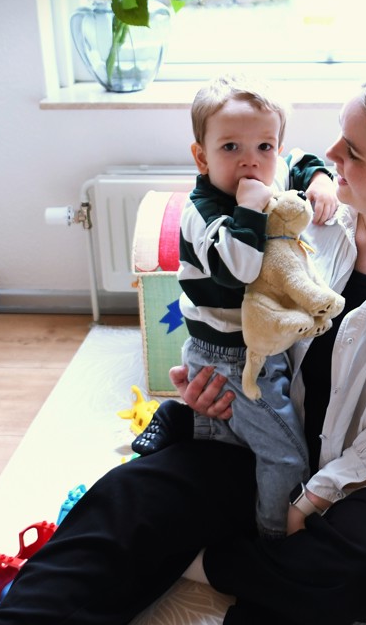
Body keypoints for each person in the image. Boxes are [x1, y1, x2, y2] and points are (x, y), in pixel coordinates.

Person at [0, 72, 366, 625]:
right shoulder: (312, 220)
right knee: (127, 500)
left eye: (350, 151)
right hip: (276, 440)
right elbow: (239, 320)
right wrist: (214, 388)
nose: (327, 155)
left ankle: (214, 563)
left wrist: (309, 501)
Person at [137, 74, 338, 539]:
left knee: (234, 439)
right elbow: (240, 268)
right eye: (230, 148)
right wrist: (250, 204)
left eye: (265, 146)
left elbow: (299, 162)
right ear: (202, 156)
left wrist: (322, 180)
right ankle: (273, 541)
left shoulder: (272, 167)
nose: (252, 161)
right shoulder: (203, 213)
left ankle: (187, 428)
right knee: (284, 453)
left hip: (257, 342)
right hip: (230, 356)